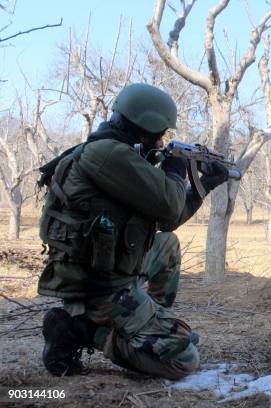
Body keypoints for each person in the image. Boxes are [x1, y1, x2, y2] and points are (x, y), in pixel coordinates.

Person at [37, 83, 228, 380]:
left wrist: (203, 186)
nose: (162, 141)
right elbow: (169, 203)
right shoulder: (107, 155)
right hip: (97, 287)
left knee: (167, 244)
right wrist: (175, 168)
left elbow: (167, 219)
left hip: (111, 269)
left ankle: (147, 323)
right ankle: (81, 331)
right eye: (160, 134)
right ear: (145, 127)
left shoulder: (117, 152)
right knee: (182, 361)